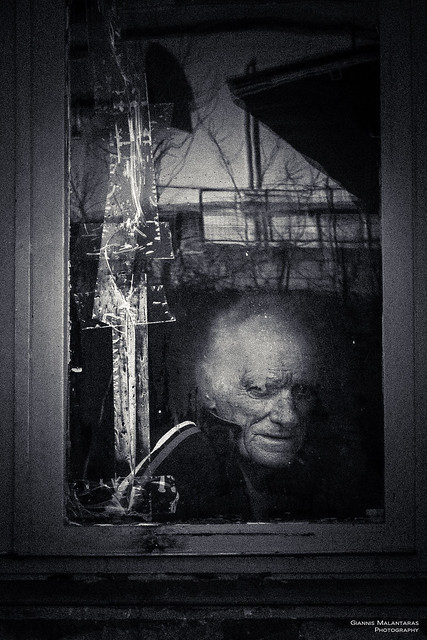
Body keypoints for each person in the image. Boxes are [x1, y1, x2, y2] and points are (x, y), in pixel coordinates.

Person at [153, 291, 382, 522]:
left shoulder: (336, 473)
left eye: (302, 391)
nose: (289, 417)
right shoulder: (179, 470)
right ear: (208, 387)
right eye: (260, 390)